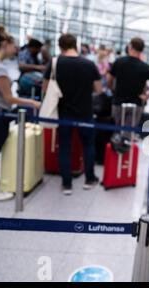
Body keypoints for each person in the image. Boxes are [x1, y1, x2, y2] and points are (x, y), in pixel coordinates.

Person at [0, 25, 41, 201]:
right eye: (14, 46)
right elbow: (9, 98)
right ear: (5, 44)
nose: (16, 50)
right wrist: (31, 102)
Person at [43, 33, 103, 195]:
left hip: (64, 112)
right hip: (85, 112)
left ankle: (66, 184)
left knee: (64, 147)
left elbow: (45, 88)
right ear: (76, 45)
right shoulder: (89, 64)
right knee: (88, 145)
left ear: (60, 46)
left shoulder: (55, 62)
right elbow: (99, 89)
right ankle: (89, 179)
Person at [107, 37, 149, 134]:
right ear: (142, 50)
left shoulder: (119, 62)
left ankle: (115, 148)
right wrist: (146, 97)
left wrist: (112, 89)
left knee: (115, 132)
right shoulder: (145, 67)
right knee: (129, 134)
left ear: (130, 47)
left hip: (119, 101)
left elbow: (109, 79)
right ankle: (127, 147)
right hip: (136, 104)